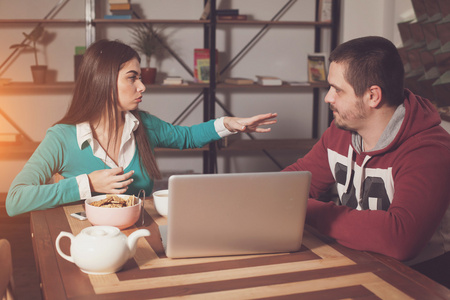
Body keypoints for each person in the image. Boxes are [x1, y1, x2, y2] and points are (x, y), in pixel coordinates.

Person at [6, 39, 277, 217]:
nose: (142, 86)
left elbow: (188, 137)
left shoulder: (144, 125)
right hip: (88, 247)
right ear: (104, 81)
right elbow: (16, 199)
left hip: (141, 239)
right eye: (132, 78)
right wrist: (87, 184)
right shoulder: (62, 138)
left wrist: (229, 124)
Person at [283, 36, 450, 269]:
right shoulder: (341, 130)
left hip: (420, 279)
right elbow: (292, 184)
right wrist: (279, 197)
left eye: (337, 90)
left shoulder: (429, 151)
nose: (327, 98)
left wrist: (301, 207)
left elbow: (400, 239)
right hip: (359, 260)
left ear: (372, 96)